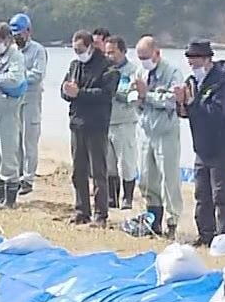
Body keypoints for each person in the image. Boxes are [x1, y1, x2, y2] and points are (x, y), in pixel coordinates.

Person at [173, 40, 225, 247]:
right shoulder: (191, 81)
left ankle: (222, 237)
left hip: (222, 144)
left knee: (221, 194)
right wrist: (181, 103)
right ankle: (205, 234)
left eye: (196, 60)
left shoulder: (223, 83)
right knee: (202, 193)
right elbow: (186, 113)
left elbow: (218, 113)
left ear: (208, 59)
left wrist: (192, 103)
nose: (193, 65)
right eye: (190, 61)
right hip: (201, 145)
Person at [61, 29, 119, 226]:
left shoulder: (108, 67)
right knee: (78, 171)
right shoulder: (75, 65)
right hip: (77, 122)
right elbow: (66, 88)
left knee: (98, 171)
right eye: (75, 50)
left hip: (97, 124)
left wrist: (80, 93)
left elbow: (106, 94)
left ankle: (101, 214)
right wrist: (67, 91)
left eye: (80, 49)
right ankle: (81, 211)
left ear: (90, 46)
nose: (78, 53)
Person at [132, 36, 184, 237]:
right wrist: (137, 96)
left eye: (146, 56)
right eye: (140, 57)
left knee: (169, 179)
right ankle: (153, 220)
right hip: (145, 131)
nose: (143, 61)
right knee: (146, 178)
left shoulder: (172, 72)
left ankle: (172, 223)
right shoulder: (140, 72)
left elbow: (172, 101)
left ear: (157, 53)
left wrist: (148, 95)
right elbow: (134, 97)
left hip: (166, 132)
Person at [0, 22, 28, 208]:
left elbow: (15, 79)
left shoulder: (16, 56)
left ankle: (10, 199)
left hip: (8, 109)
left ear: (8, 39)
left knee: (8, 153)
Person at [8, 13, 47, 196]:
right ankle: (16, 176)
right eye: (14, 35)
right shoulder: (11, 51)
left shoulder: (38, 50)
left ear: (28, 31)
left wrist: (18, 78)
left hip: (31, 99)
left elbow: (38, 74)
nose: (17, 38)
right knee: (14, 140)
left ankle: (28, 178)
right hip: (14, 101)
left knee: (29, 141)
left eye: (19, 34)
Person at [102, 36, 141, 209]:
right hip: (106, 121)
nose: (109, 56)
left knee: (127, 162)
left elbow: (130, 95)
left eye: (113, 52)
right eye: (107, 52)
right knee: (109, 163)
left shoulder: (133, 71)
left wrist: (113, 91)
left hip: (125, 121)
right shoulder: (105, 70)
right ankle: (112, 197)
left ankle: (128, 197)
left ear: (123, 51)